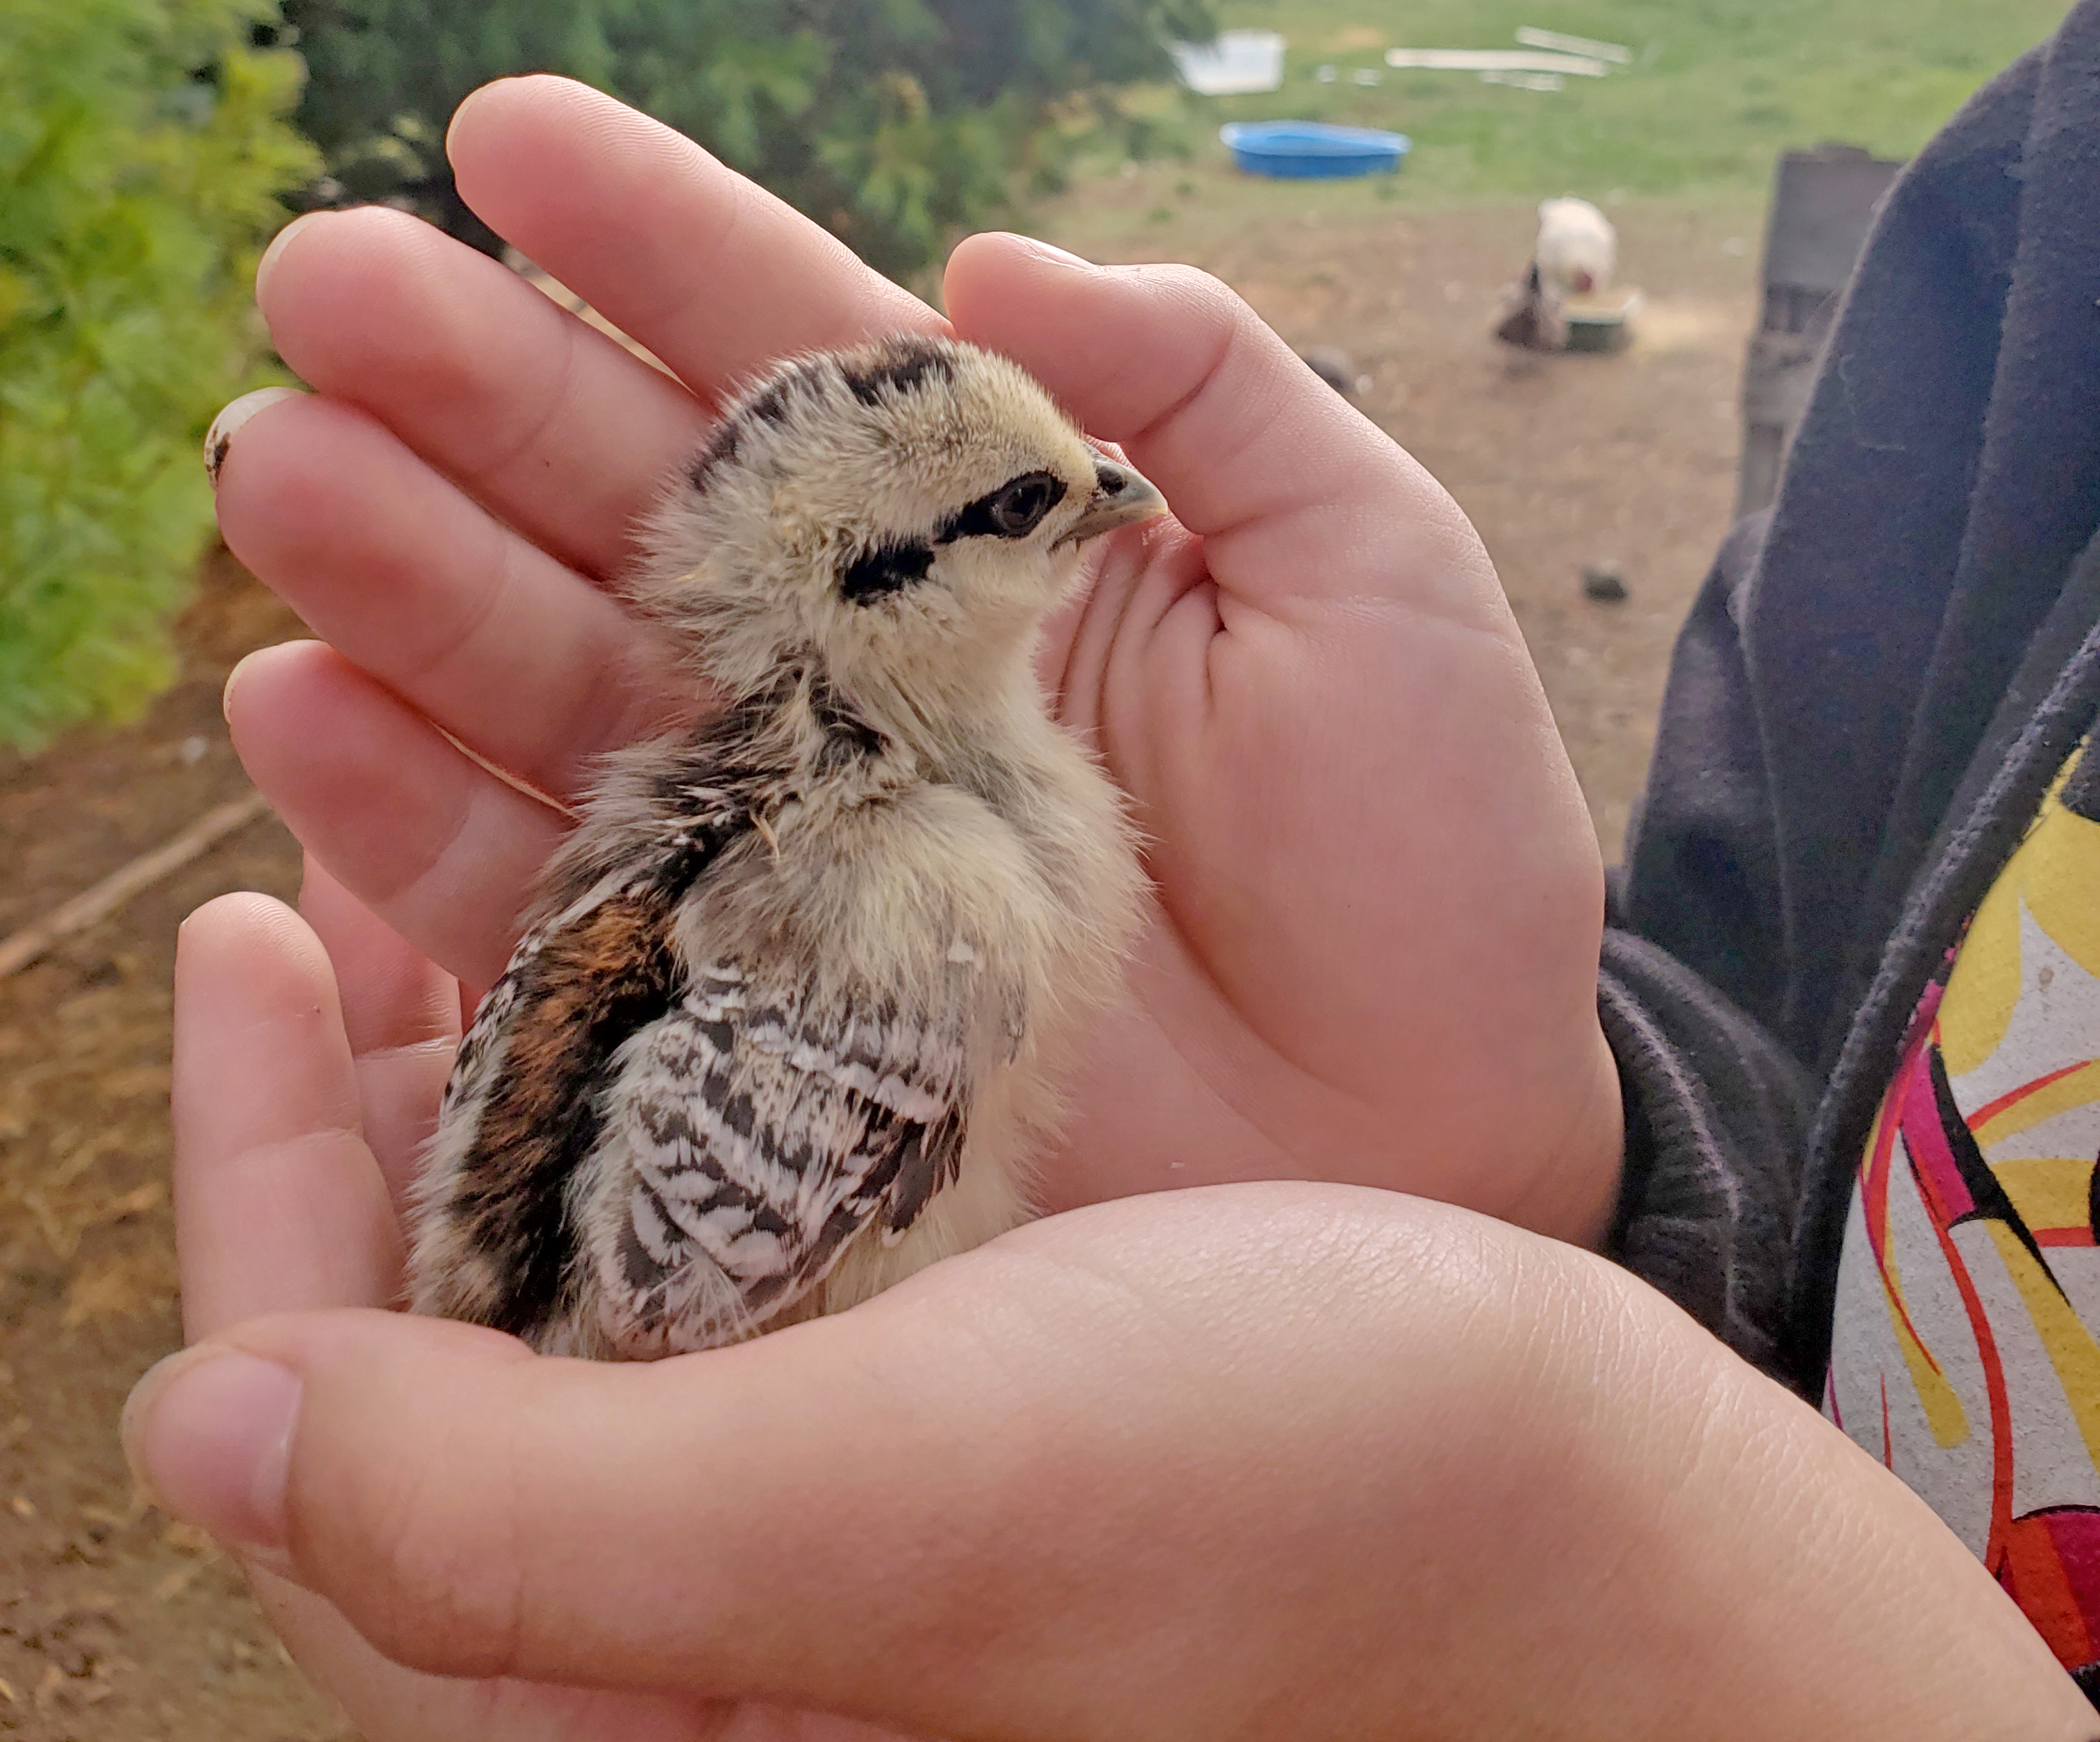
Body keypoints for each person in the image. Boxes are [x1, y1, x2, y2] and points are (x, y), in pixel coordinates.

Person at [118, 1, 2100, 1729]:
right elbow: (648, 1276)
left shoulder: (844, 835)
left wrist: (1605, 1577)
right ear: (885, 586)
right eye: (1022, 505)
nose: (1109, 504)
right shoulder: (928, 893)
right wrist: (1573, 1191)